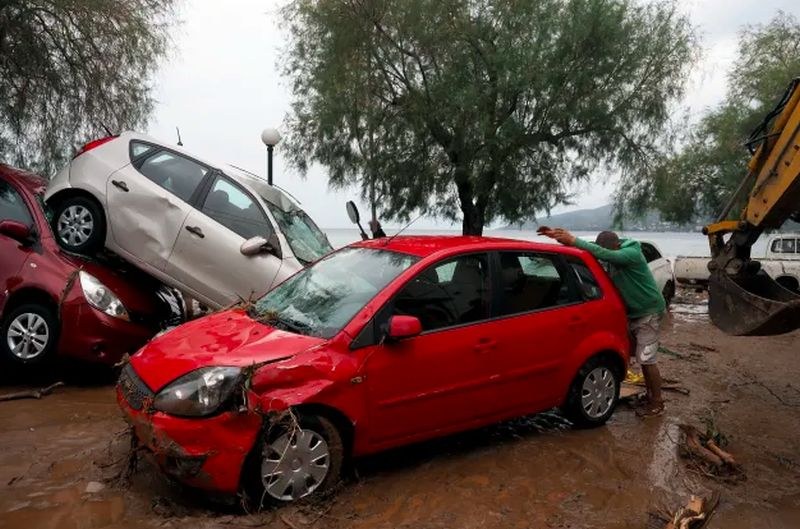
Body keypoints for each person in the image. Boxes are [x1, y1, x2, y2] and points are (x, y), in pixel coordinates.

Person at [540, 227, 666, 418]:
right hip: (633, 313)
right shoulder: (612, 253)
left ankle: (657, 402)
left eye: (608, 253)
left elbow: (603, 254)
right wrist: (560, 238)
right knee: (640, 358)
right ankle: (649, 396)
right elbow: (595, 251)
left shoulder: (631, 253)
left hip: (649, 312)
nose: (605, 258)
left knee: (647, 359)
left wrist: (573, 240)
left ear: (616, 247)